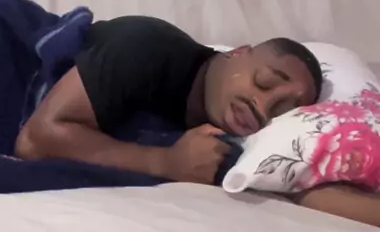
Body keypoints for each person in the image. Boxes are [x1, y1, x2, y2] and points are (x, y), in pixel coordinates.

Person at [16, 15, 322, 184]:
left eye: (281, 111)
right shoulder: (146, 49)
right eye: (265, 81)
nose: (262, 107)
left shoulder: (226, 141)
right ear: (238, 52)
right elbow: (35, 139)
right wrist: (165, 162)